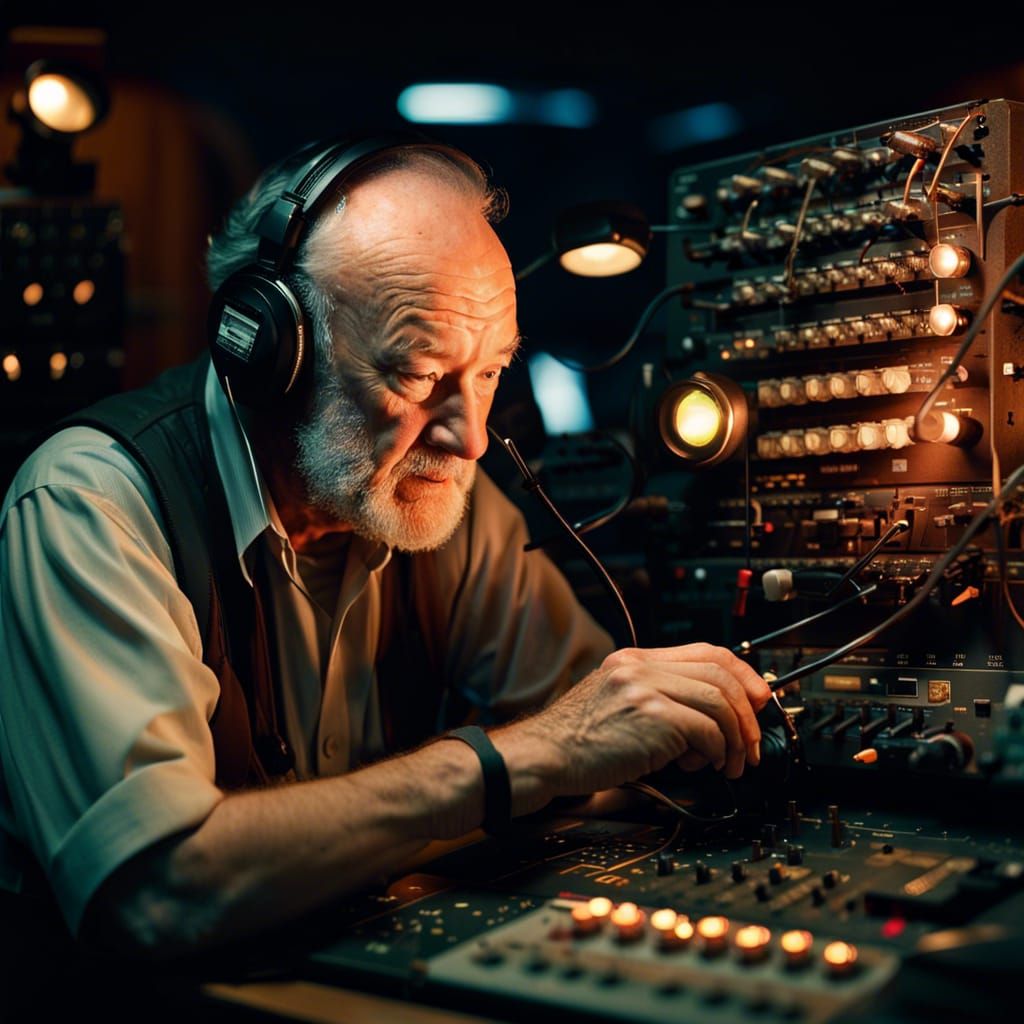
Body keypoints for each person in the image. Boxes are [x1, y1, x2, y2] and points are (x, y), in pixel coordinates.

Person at [0, 134, 770, 959]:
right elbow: (158, 893)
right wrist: (518, 760)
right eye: (417, 374)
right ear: (268, 352)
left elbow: (607, 749)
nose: (472, 439)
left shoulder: (441, 497)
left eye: (490, 372)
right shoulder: (93, 504)